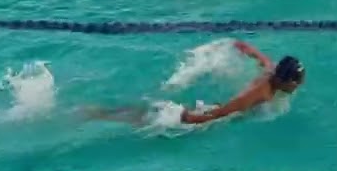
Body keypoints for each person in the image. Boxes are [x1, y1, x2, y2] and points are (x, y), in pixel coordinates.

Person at [84, 40, 305, 127]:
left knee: (142, 114)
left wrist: (239, 46)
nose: (299, 86)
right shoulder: (260, 93)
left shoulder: (272, 70)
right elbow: (227, 110)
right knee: (146, 119)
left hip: (214, 108)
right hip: (197, 114)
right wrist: (190, 120)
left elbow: (257, 55)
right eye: (297, 82)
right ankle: (99, 113)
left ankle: (102, 112)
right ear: (284, 80)